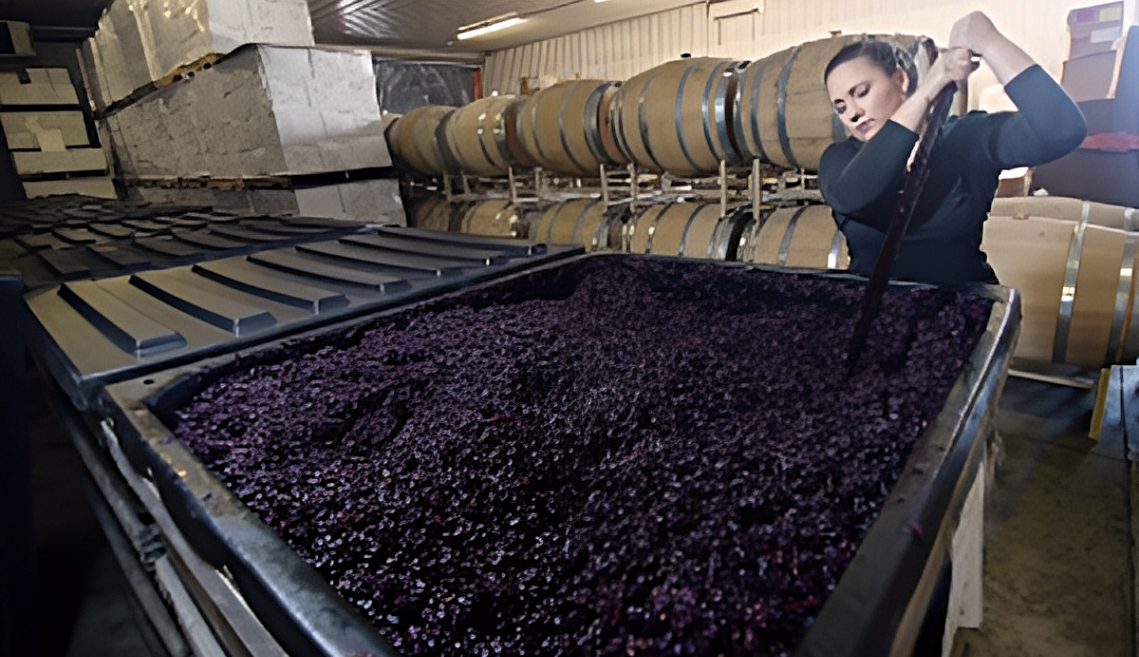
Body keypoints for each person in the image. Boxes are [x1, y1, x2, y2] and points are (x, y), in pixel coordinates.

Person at [818, 11, 1087, 285]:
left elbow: (1062, 129)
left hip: (959, 316)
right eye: (840, 106)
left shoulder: (966, 139)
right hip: (879, 320)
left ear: (900, 80)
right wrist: (929, 88)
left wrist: (989, 42)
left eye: (861, 92)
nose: (852, 113)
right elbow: (859, 193)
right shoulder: (840, 160)